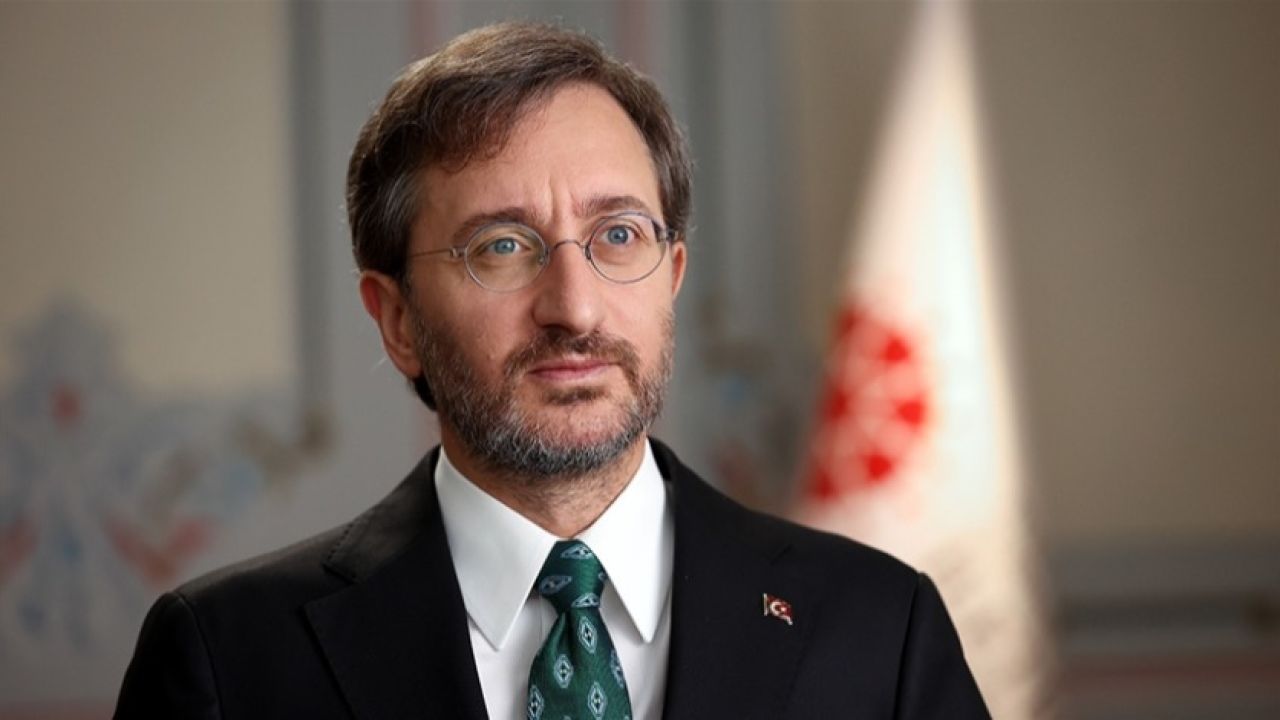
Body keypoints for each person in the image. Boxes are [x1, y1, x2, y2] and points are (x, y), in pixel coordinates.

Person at [115, 21, 988, 720]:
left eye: (619, 235)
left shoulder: (881, 627)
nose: (575, 307)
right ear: (398, 320)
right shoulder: (227, 660)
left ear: (672, 277)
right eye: (502, 246)